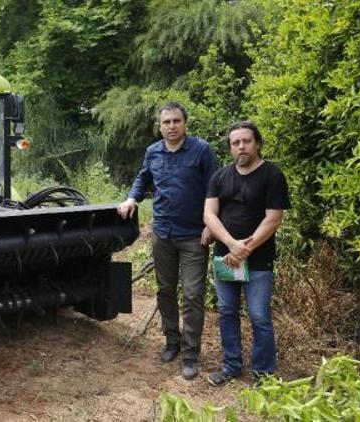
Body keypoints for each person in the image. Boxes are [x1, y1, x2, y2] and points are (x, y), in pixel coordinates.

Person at [117, 102, 219, 380]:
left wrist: (211, 225)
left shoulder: (202, 151)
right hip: (162, 233)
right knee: (165, 290)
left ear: (185, 123)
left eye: (176, 121)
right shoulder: (153, 152)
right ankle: (172, 341)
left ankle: (190, 354)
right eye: (166, 123)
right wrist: (131, 198)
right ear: (160, 126)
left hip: (194, 236)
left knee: (193, 294)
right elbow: (142, 179)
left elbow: (216, 188)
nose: (171, 127)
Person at [203, 121, 290, 387]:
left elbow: (273, 219)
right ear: (230, 147)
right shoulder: (220, 176)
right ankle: (231, 366)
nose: (241, 146)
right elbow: (209, 214)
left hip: (260, 260)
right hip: (225, 256)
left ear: (257, 143)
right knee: (227, 311)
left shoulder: (272, 175)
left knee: (259, 315)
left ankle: (263, 373)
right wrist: (231, 244)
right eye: (235, 142)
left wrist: (245, 249)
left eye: (246, 141)